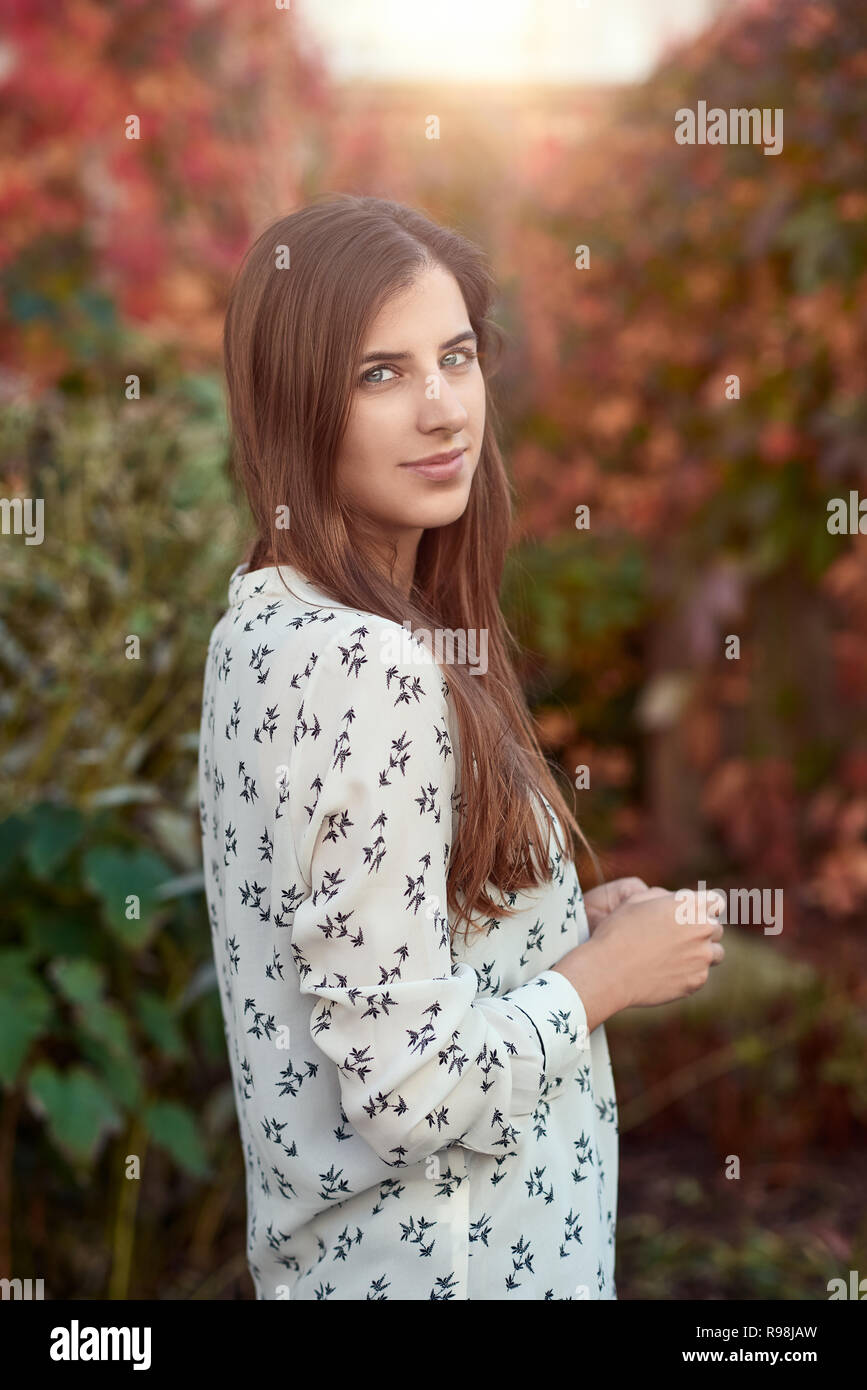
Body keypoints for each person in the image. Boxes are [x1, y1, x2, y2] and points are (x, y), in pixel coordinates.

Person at [197, 193, 725, 1300]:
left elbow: (379, 961)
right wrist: (603, 979)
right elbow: (406, 1093)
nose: (443, 410)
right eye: (379, 374)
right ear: (296, 405)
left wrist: (560, 931)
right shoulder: (370, 665)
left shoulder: (263, 618)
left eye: (457, 357)